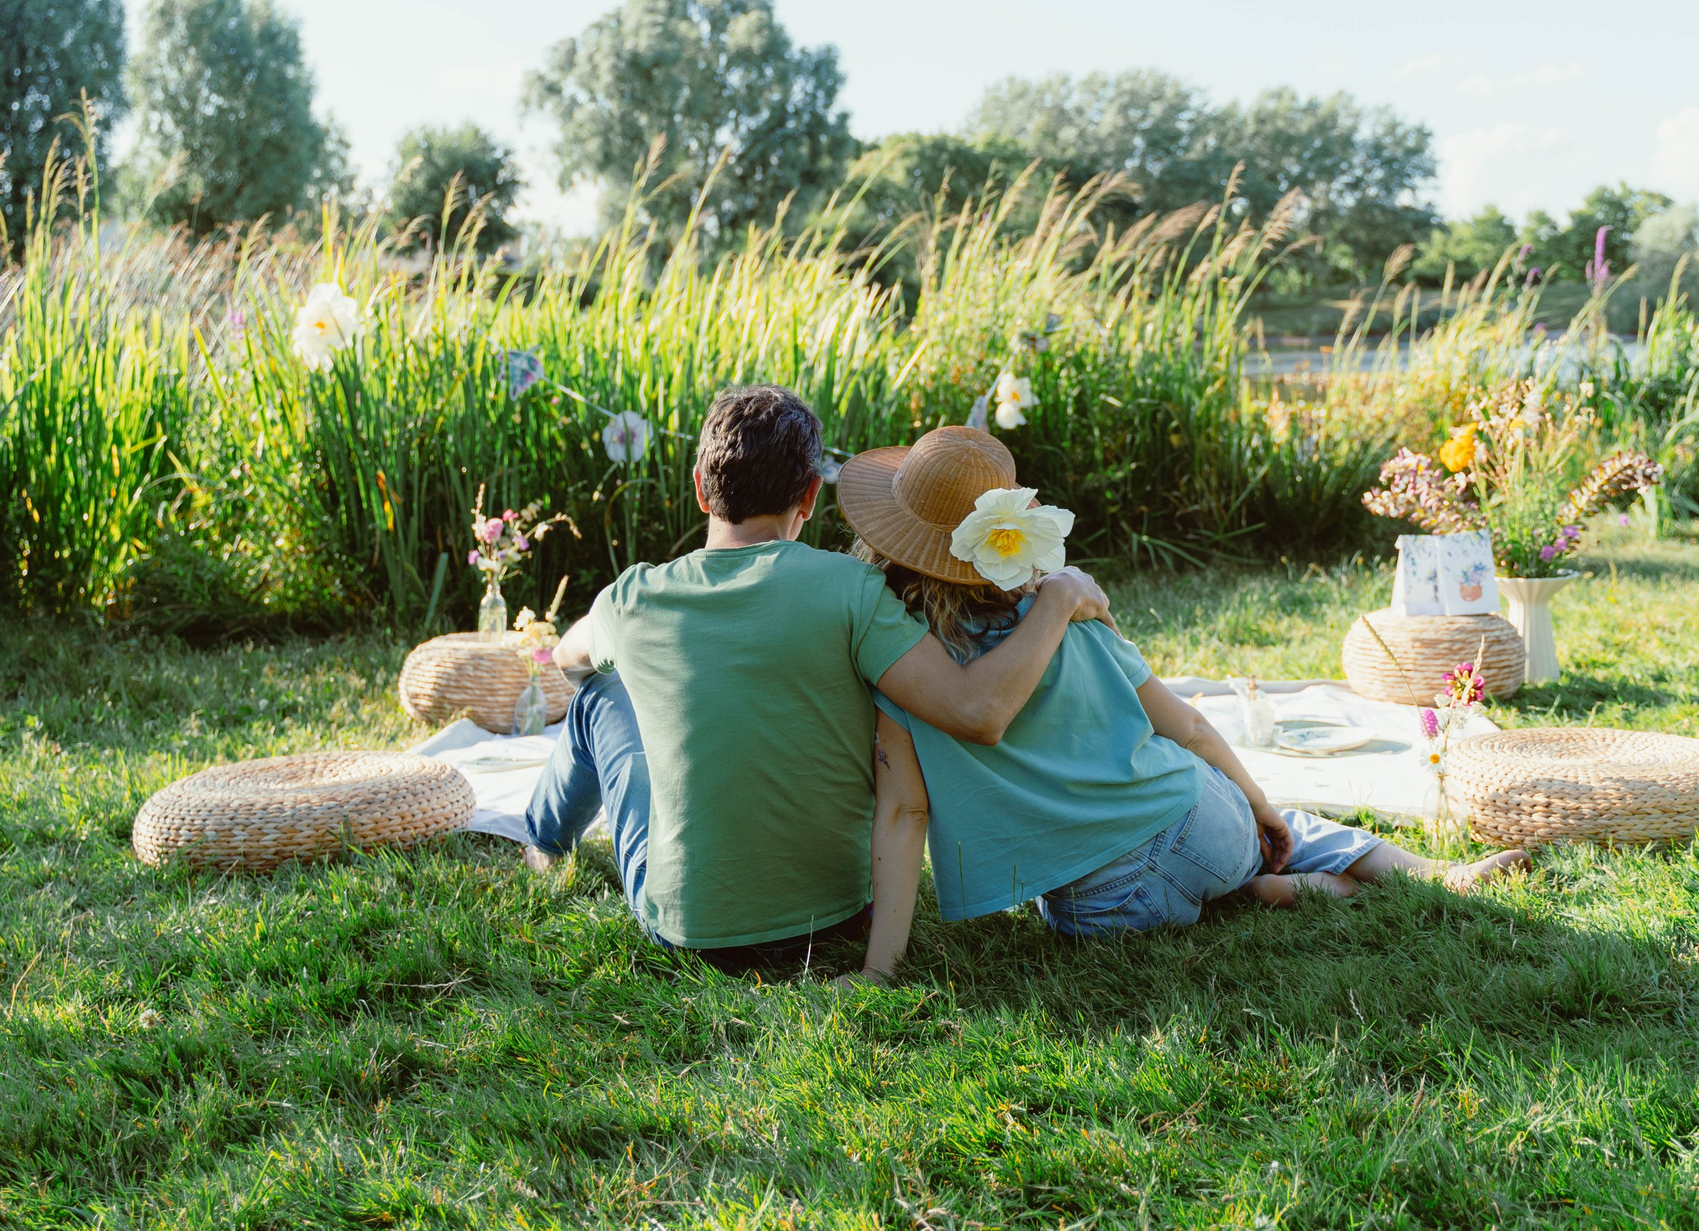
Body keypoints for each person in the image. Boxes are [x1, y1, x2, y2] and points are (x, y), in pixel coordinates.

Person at [834, 426, 1530, 983]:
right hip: (1201, 822)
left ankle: (1273, 891)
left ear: (893, 540)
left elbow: (904, 812)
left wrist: (878, 969)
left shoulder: (908, 668)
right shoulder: (1076, 622)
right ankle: (1416, 873)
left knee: (1095, 898)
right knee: (1283, 823)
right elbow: (1192, 728)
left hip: (1104, 905)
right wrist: (1255, 802)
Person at [526, 386, 1116, 975]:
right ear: (810, 495)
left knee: (598, 695)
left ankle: (542, 846)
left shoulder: (631, 599)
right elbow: (977, 709)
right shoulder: (852, 590)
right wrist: (1056, 601)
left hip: (691, 934)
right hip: (841, 917)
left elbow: (567, 660)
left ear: (702, 488)